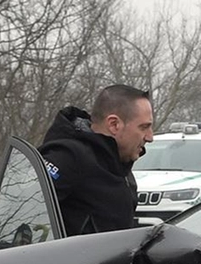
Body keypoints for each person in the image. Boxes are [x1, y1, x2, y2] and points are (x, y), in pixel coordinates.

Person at [39, 85, 154, 236]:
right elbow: (24, 214)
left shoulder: (120, 165)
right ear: (114, 124)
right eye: (144, 127)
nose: (150, 137)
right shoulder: (68, 158)